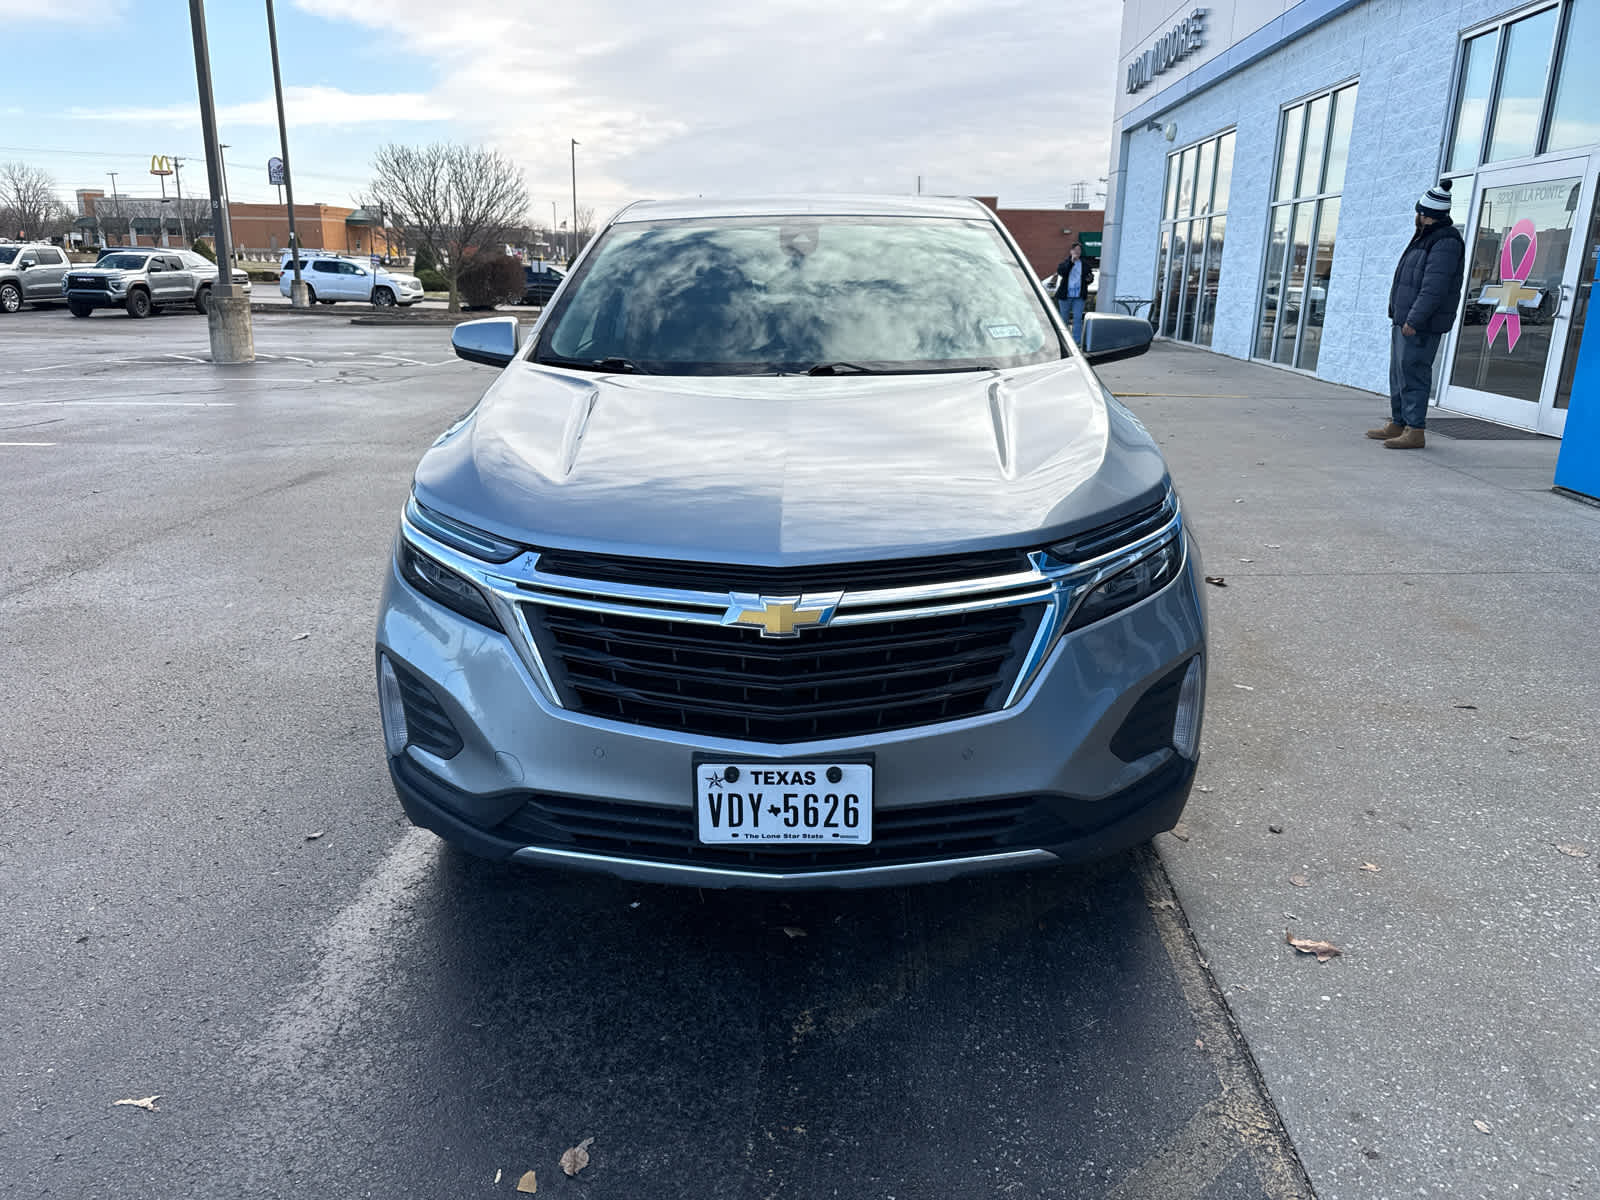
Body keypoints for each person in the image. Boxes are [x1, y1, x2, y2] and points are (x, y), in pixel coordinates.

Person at [1368, 180, 1465, 449]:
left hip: (1420, 323)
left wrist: (1415, 319)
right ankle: (1399, 422)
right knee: (1399, 373)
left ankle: (1415, 429)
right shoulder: (1425, 237)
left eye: (1419, 212)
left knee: (1414, 373)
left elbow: (1434, 287)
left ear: (1425, 214)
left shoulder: (1445, 241)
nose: (1416, 216)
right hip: (1404, 320)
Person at [1055, 243, 1093, 344]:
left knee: (1077, 318)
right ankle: (1064, 341)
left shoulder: (1085, 264)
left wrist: (1089, 279)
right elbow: (1062, 272)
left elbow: (1090, 277)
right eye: (1075, 250)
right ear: (1071, 251)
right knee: (1064, 319)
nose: (1077, 252)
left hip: (1079, 297)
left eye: (1079, 250)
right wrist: (1072, 261)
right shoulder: (1065, 263)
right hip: (1065, 296)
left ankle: (1077, 342)